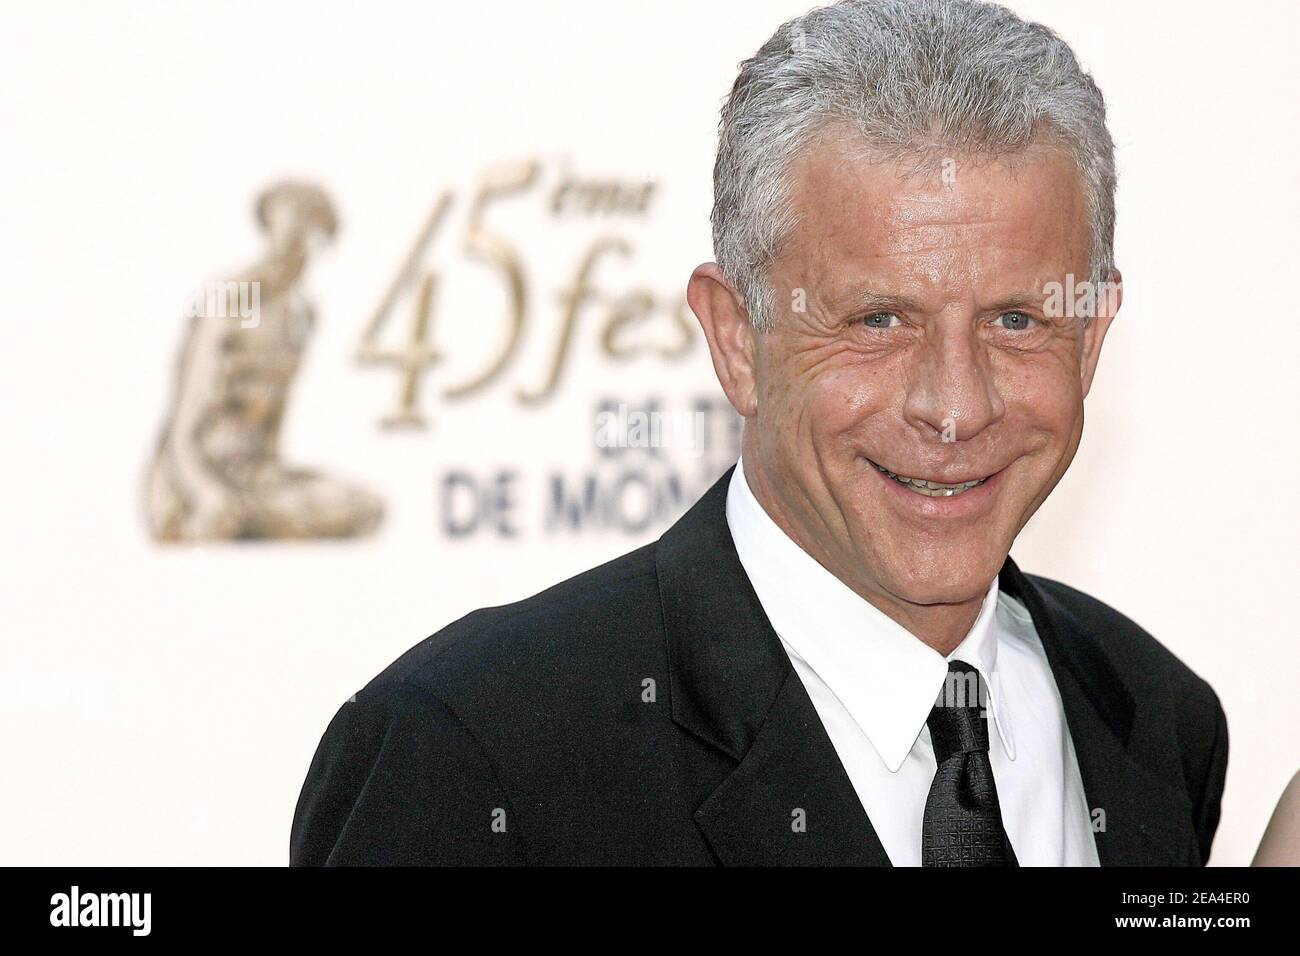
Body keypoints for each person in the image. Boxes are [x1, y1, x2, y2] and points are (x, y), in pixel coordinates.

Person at [292, 0, 1227, 866]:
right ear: (737, 339)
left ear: (1093, 338)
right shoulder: (474, 752)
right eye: (878, 321)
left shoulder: (1155, 721)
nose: (956, 405)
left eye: (1017, 320)